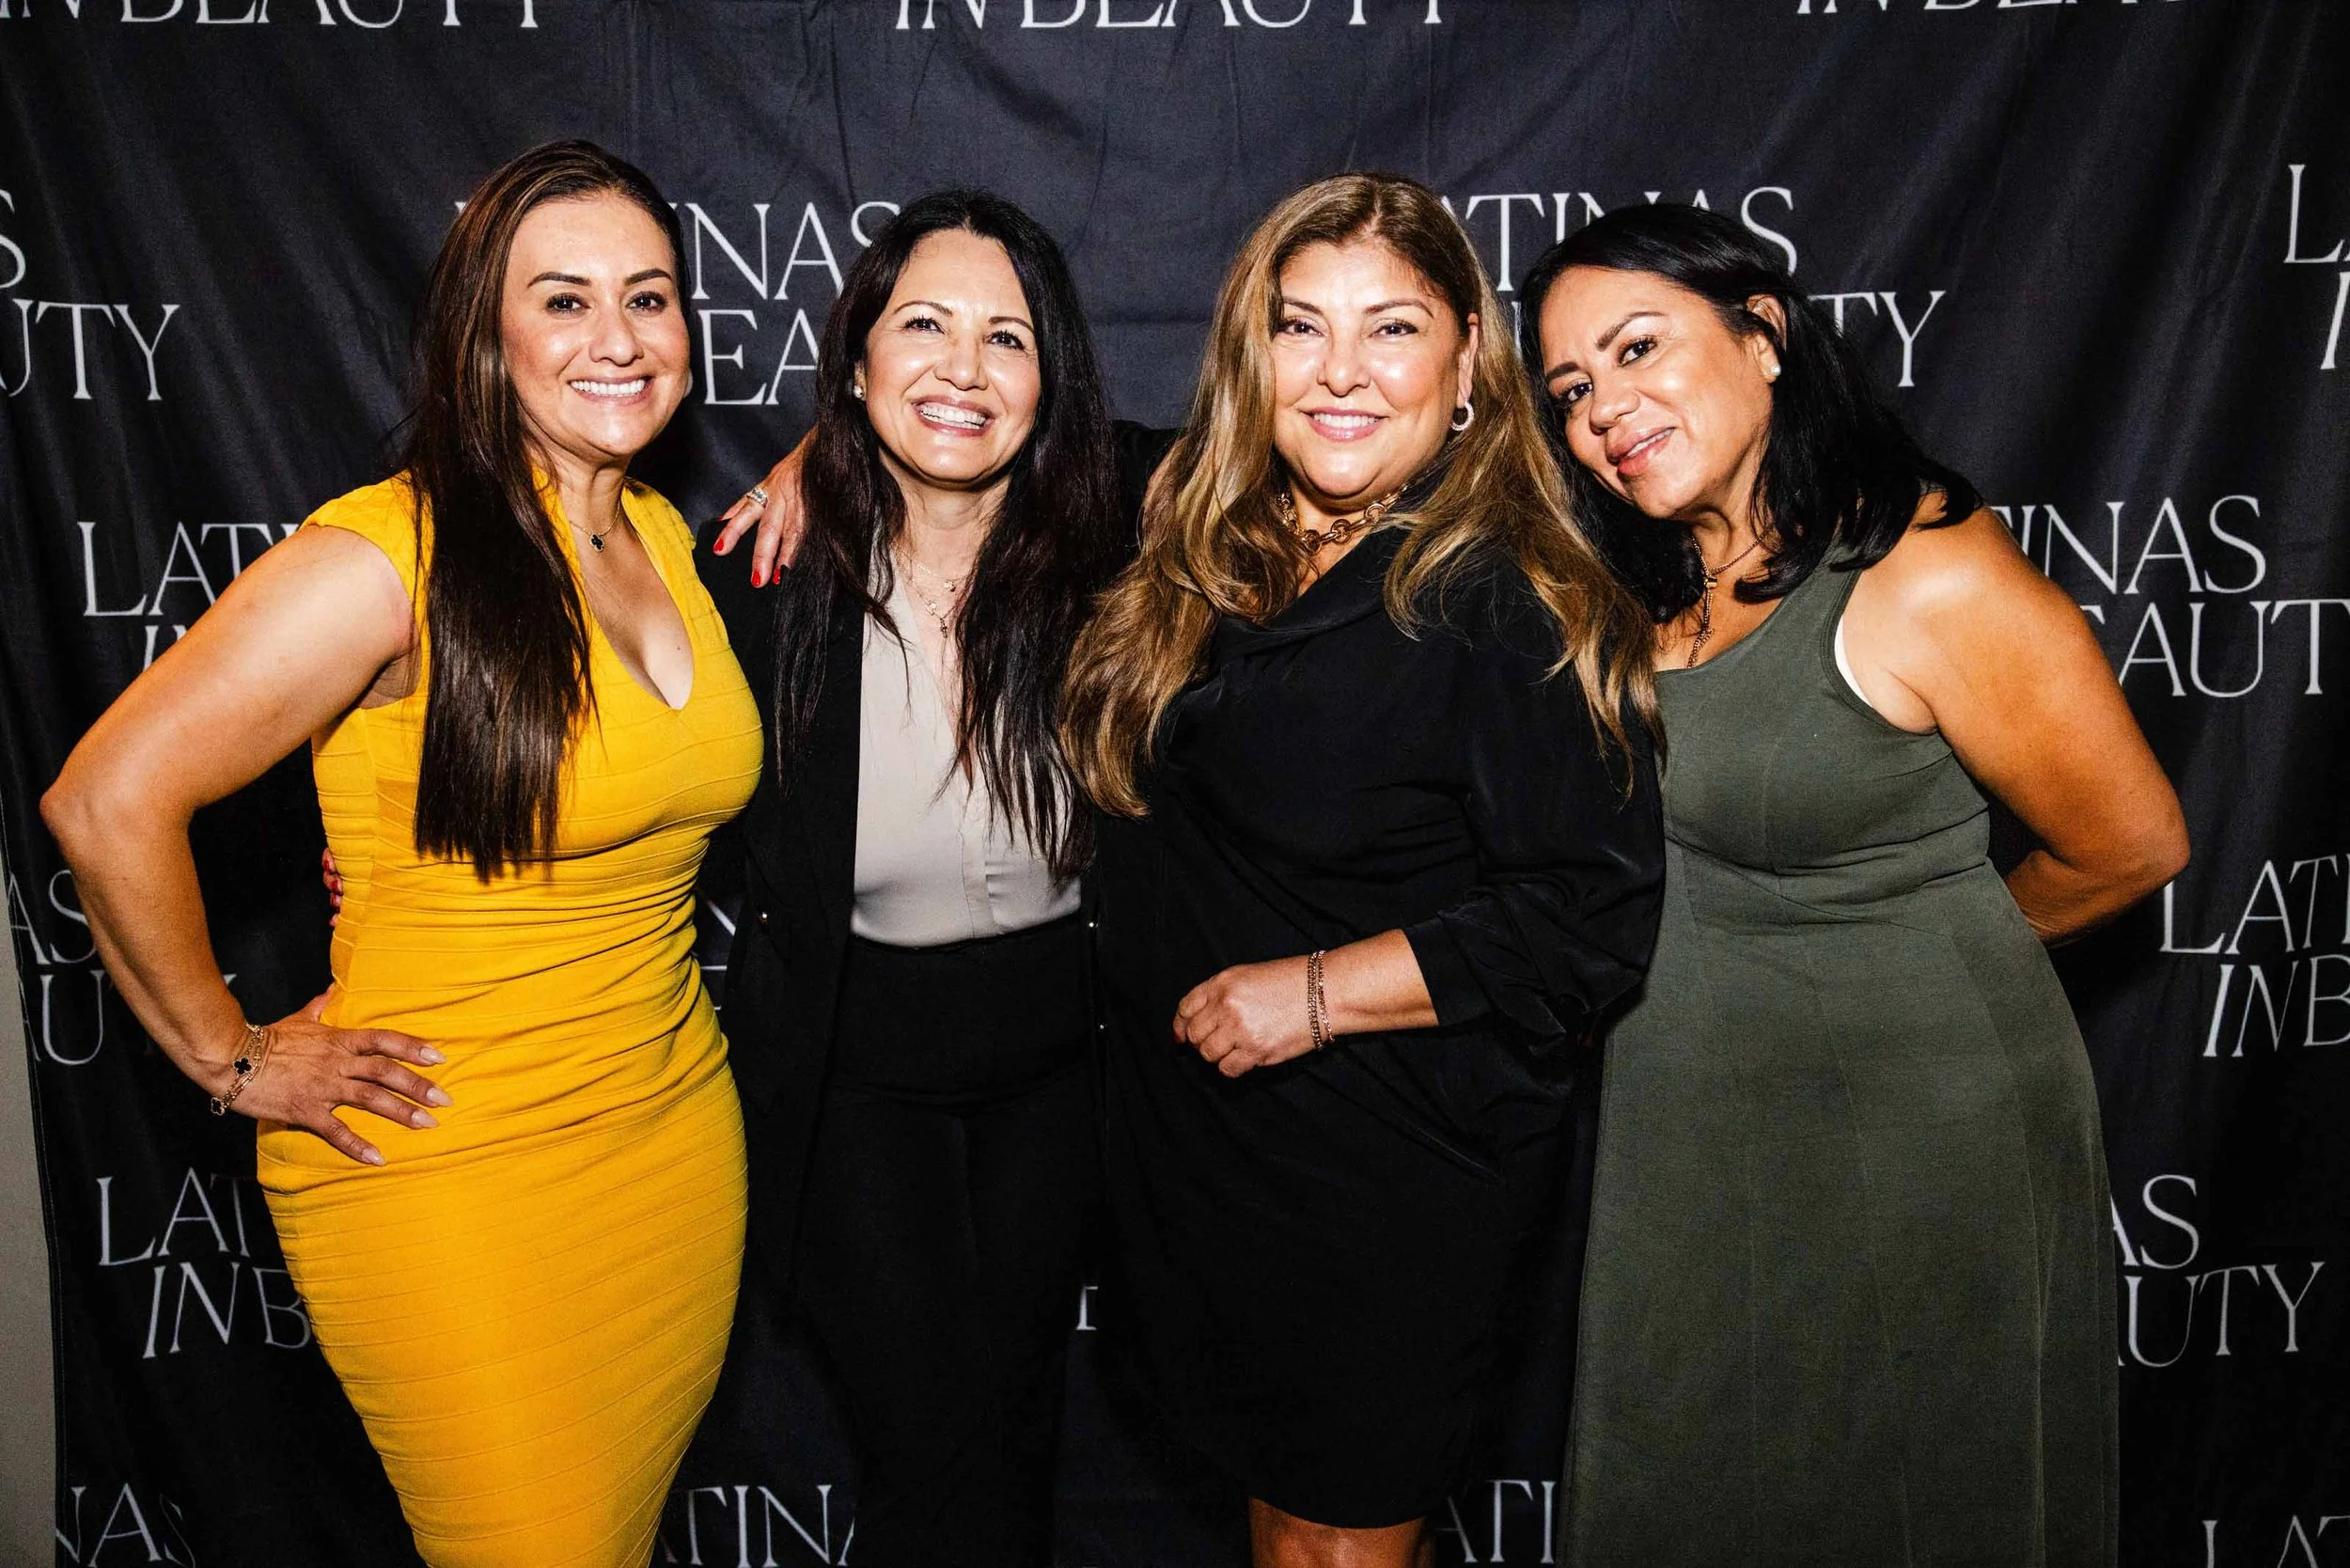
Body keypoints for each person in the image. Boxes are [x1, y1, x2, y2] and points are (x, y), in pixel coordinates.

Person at [42, 141, 760, 1568]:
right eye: (563, 301)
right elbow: (105, 797)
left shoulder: (665, 536)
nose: (618, 339)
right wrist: (231, 1059)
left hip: (672, 1143)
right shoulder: (390, 556)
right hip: (446, 1178)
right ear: (483, 337)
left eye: (651, 297)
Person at [1518, 203, 2190, 1566]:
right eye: (1573, 388)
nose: (1605, 408)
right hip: (1691, 1134)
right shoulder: (1648, 589)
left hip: (1911, 1142)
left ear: (1763, 336)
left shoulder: (1927, 575)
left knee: (1908, 1499)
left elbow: (2132, 843)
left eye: (1640, 347)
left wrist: (1903, 951)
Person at [1055, 172, 1665, 1568]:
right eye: (1298, 327)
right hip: (1213, 1160)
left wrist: (1315, 995)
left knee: (1335, 1545)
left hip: (1378, 1170)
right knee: (1283, 1521)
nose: (1339, 373)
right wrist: (824, 455)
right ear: (1248, 355)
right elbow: (998, 438)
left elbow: (1589, 917)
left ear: (1465, 367)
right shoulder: (1212, 537)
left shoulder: (1507, 594)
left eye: (1390, 331)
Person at [707, 192, 1125, 1567]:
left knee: (1016, 1419)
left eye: (1006, 337)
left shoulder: (1120, 560)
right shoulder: (762, 582)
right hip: (855, 1071)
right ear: (857, 363)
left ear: (1049, 382)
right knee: (923, 1430)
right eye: (924, 326)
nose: (962, 366)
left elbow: (1268, 453)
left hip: (1068, 1059)